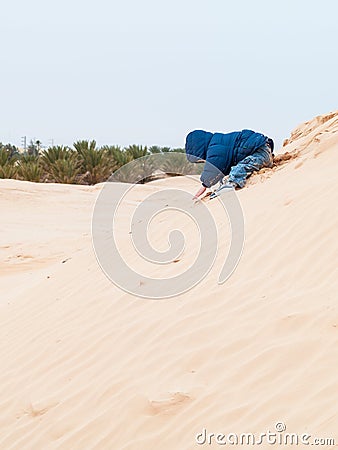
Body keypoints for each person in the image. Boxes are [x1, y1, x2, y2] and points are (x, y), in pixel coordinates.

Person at [185, 129, 274, 199]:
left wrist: (204, 185)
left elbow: (213, 167)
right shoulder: (219, 141)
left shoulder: (215, 148)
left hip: (260, 152)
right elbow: (222, 168)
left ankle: (229, 186)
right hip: (262, 150)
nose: (204, 161)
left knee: (238, 170)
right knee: (225, 176)